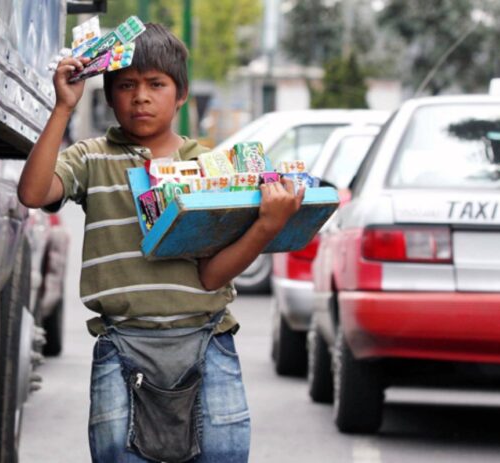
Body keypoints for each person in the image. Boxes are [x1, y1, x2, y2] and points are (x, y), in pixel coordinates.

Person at [18, 23, 303, 463]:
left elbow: (211, 276)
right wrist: (62, 109)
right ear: (110, 95)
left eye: (157, 84)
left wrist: (266, 225)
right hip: (121, 344)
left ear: (181, 93)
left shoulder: (209, 167)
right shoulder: (92, 158)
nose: (141, 97)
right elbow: (33, 194)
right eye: (127, 85)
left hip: (207, 341)